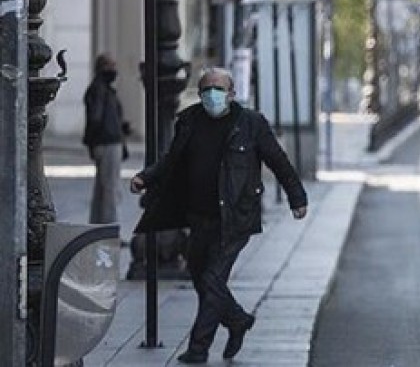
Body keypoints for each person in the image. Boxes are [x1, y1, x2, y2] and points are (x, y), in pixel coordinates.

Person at [130, 67, 308, 364]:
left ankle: (199, 349)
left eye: (219, 88)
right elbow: (171, 159)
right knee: (201, 278)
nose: (213, 94)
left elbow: (278, 161)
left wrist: (297, 198)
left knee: (212, 278)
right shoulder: (189, 121)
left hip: (236, 217)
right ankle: (237, 320)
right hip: (199, 216)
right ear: (199, 94)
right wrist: (145, 178)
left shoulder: (251, 123)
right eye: (207, 89)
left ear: (232, 93)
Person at [82, 53, 129, 224]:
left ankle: (98, 225)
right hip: (108, 142)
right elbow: (96, 118)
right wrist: (94, 141)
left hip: (106, 141)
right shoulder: (100, 90)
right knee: (111, 189)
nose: (114, 70)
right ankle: (110, 228)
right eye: (110, 66)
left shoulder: (102, 89)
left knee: (103, 188)